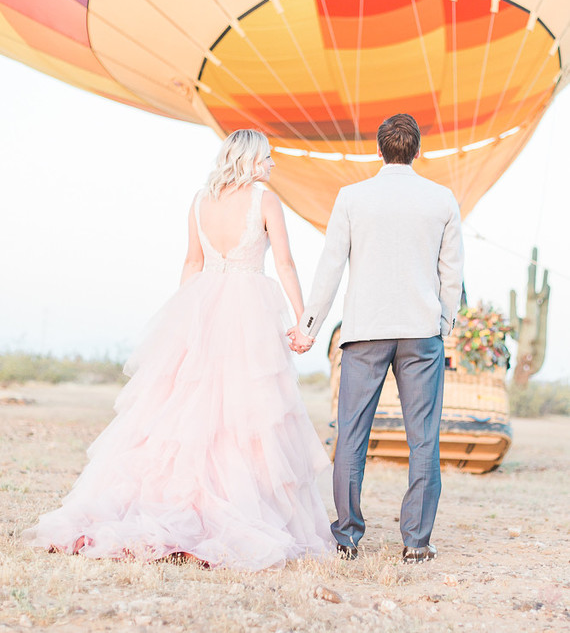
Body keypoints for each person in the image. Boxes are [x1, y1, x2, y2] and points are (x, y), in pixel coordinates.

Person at [23, 130, 333, 570]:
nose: (272, 164)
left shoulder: (199, 200)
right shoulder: (265, 200)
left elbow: (192, 263)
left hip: (204, 304)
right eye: (267, 157)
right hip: (248, 311)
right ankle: (236, 504)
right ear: (248, 159)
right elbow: (284, 262)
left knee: (189, 408)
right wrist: (305, 321)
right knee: (246, 411)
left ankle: (185, 502)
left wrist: (184, 323)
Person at [289, 113, 464, 563]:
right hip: (421, 331)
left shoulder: (352, 198)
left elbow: (330, 268)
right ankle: (417, 543)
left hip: (364, 330)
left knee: (350, 435)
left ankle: (346, 537)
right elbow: (452, 273)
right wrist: (443, 323)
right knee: (423, 438)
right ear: (417, 149)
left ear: (379, 150)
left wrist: (309, 326)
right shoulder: (441, 199)